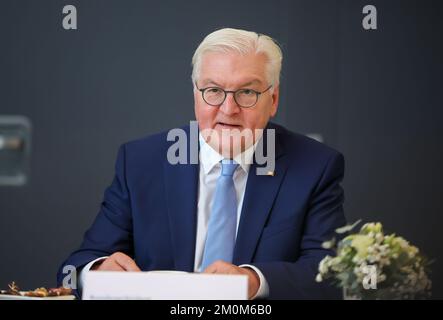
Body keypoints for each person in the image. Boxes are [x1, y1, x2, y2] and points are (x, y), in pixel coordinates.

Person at [57, 28, 346, 299]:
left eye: (247, 92)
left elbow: (330, 273)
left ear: (273, 100)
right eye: (213, 90)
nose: (228, 109)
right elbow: (75, 267)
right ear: (196, 95)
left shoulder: (314, 167)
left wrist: (255, 281)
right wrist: (96, 273)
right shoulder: (141, 162)